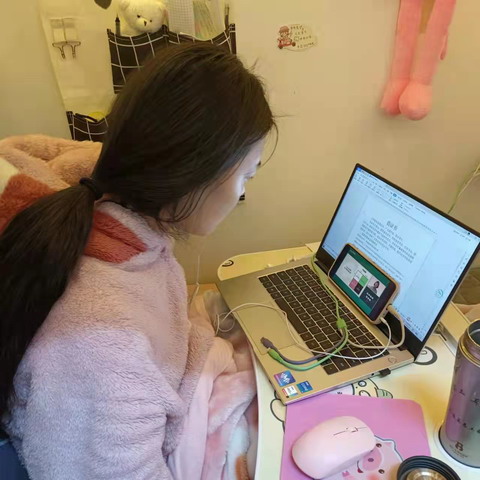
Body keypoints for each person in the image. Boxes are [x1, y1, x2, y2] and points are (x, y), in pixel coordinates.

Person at [0, 44, 275, 479]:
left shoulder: (118, 220)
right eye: (247, 174)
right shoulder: (98, 343)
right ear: (194, 172)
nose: (242, 192)